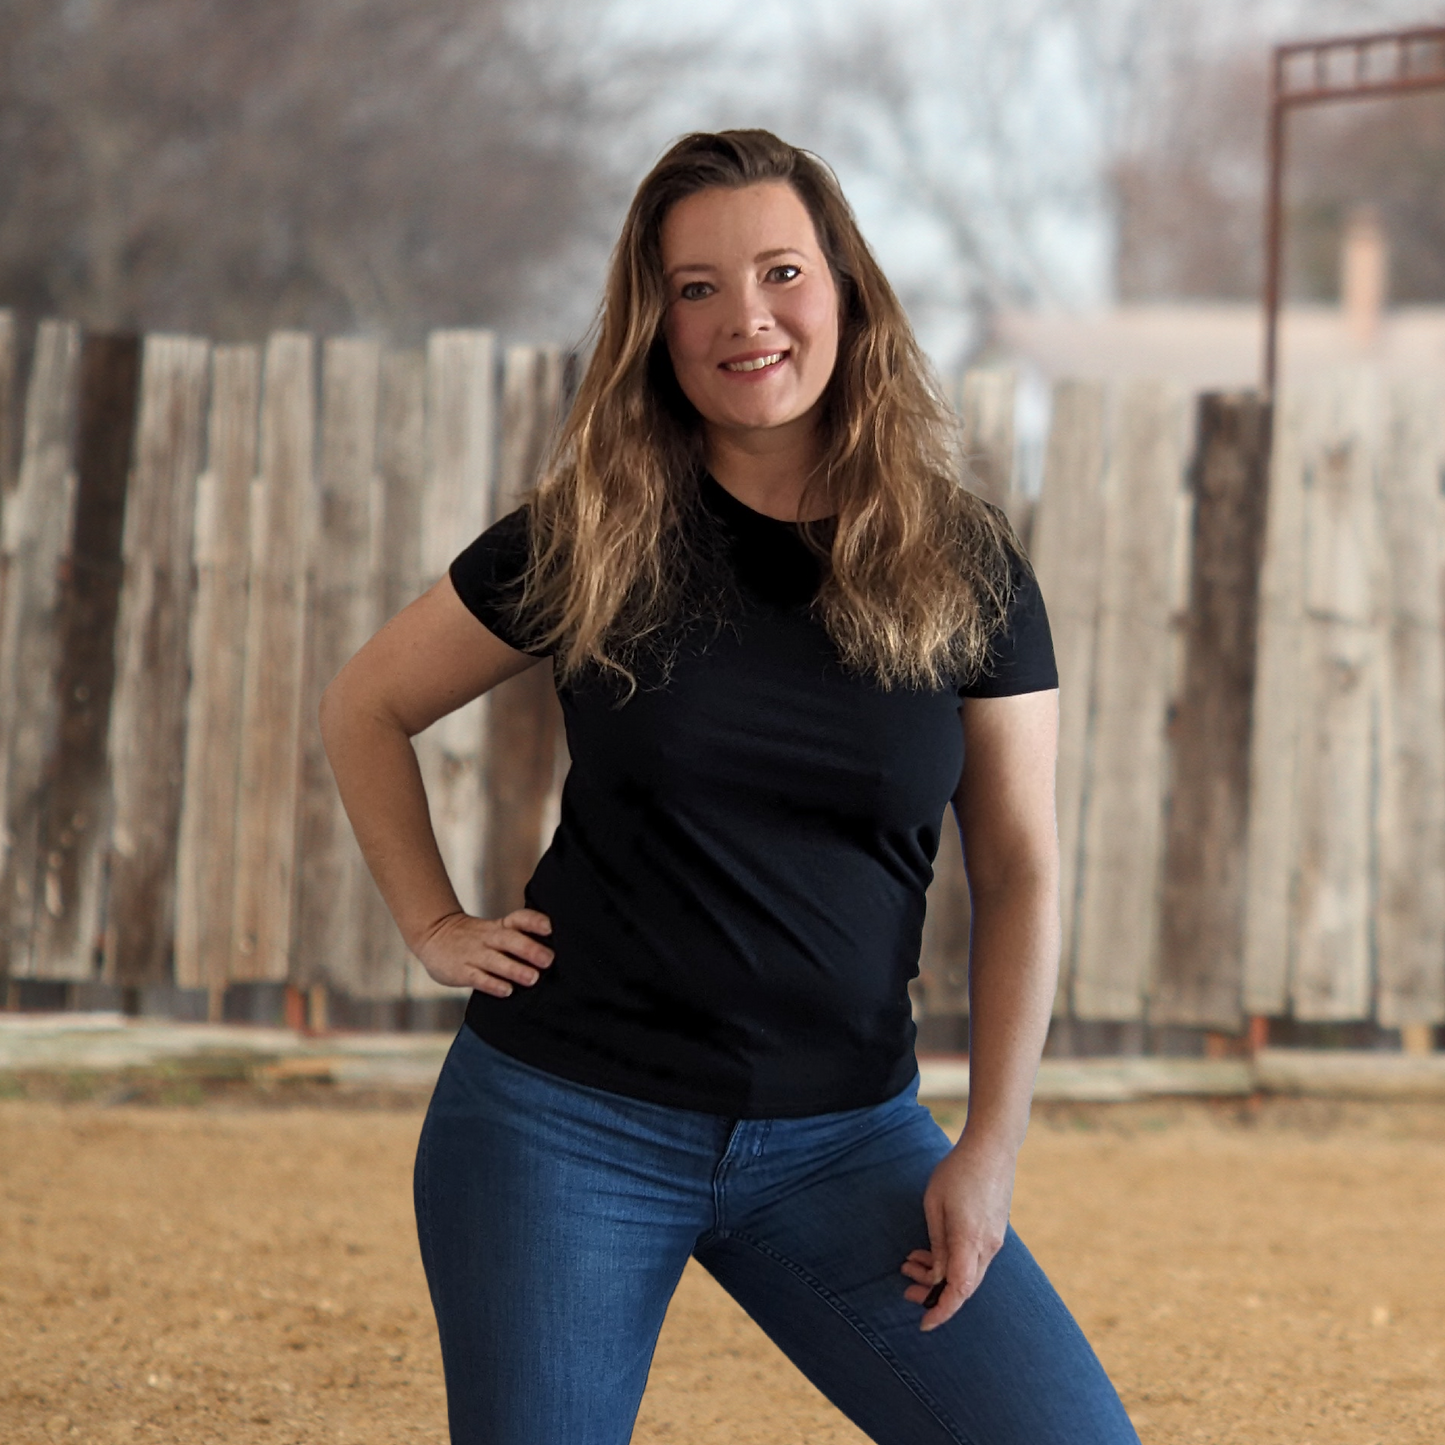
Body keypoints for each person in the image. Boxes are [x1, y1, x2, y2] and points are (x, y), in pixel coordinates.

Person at [320, 129, 1139, 1445]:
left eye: (779, 272)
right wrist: (434, 925)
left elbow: (1024, 867)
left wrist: (987, 1147)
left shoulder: (968, 564)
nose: (743, 319)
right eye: (696, 288)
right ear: (656, 324)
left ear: (846, 291)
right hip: (561, 1128)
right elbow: (367, 704)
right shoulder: (594, 532)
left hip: (848, 1143)